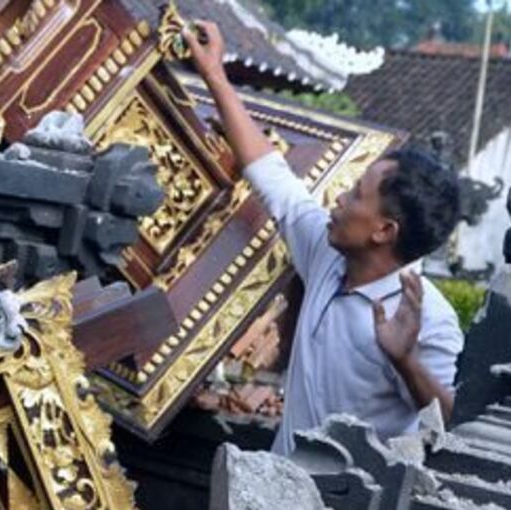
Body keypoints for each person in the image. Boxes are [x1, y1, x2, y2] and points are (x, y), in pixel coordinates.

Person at [185, 20, 466, 456]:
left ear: (383, 230)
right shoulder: (326, 254)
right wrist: (215, 76)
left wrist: (404, 361)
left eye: (356, 195)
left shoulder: (428, 318)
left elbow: (449, 421)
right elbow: (272, 176)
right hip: (271, 489)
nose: (338, 198)